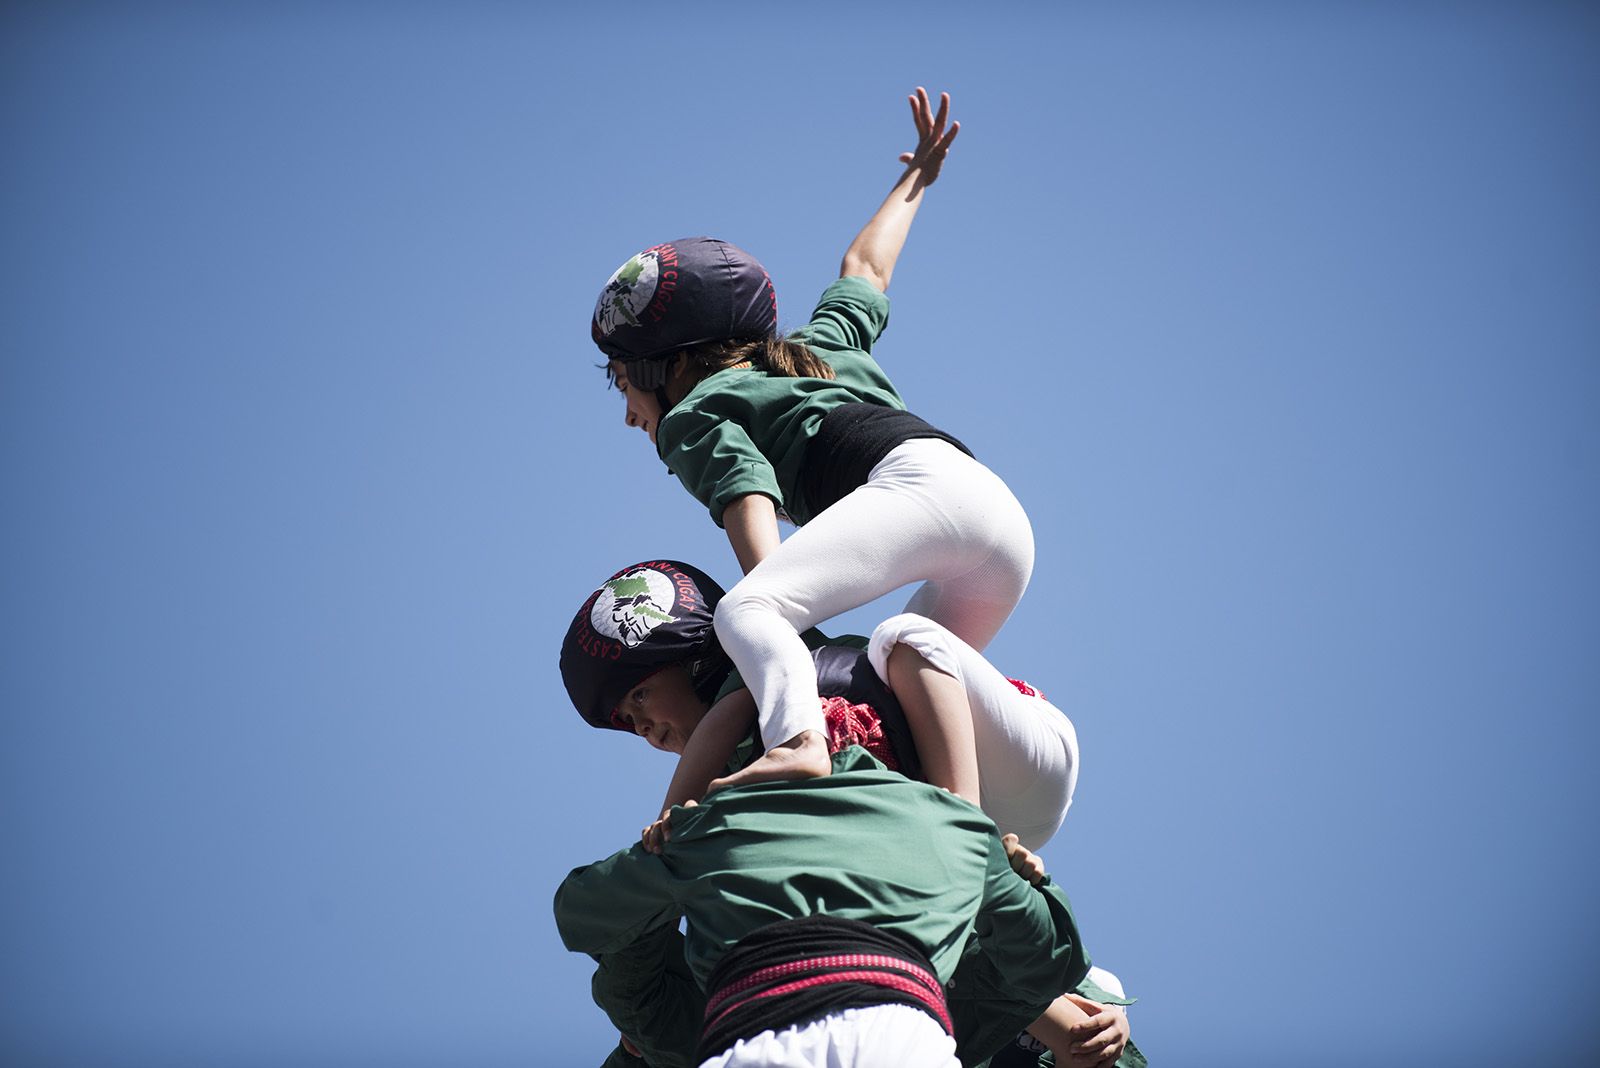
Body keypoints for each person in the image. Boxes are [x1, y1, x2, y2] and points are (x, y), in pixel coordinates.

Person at [588, 88, 1036, 806]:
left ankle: (801, 748)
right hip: (998, 523)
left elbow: (747, 498)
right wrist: (917, 175)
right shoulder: (817, 349)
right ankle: (984, 816)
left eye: (622, 386)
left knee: (746, 613)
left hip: (918, 490)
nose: (630, 416)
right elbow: (866, 270)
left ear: (669, 367)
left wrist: (780, 626)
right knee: (900, 674)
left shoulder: (694, 414)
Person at [560, 560, 1142, 1066]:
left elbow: (765, 600)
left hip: (1003, 774)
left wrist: (676, 838)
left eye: (639, 697)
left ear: (692, 657)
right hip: (947, 874)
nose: (640, 726)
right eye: (627, 723)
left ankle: (964, 822)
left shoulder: (775, 685)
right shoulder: (746, 769)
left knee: (909, 635)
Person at [554, 746, 1099, 1068]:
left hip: (754, 1039)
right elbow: (1050, 962)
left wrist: (665, 849)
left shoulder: (713, 829)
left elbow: (581, 912)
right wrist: (1020, 881)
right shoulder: (958, 830)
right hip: (904, 1042)